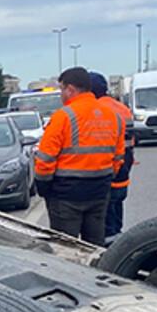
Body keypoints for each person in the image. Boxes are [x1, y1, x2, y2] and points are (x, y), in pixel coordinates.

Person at [33, 67, 124, 244]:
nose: (61, 94)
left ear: (70, 89)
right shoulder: (112, 116)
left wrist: (44, 187)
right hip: (99, 191)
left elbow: (45, 159)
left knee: (66, 247)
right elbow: (118, 156)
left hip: (66, 195)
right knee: (94, 245)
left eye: (61, 89)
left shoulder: (63, 117)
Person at [90, 71, 134, 244]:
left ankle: (112, 258)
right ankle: (120, 247)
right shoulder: (121, 108)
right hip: (123, 170)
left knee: (107, 225)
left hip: (107, 172)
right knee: (116, 215)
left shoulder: (98, 111)